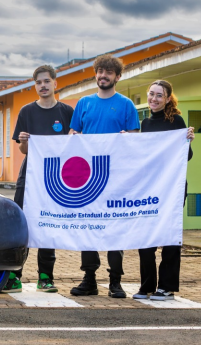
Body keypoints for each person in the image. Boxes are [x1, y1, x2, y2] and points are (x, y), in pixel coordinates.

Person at [68, 54, 140, 299]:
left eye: (109, 72)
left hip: (116, 177)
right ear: (95, 74)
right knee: (87, 227)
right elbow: (73, 133)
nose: (103, 76)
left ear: (117, 77)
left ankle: (115, 281)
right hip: (87, 178)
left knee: (114, 229)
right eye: (100, 71)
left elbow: (134, 139)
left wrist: (126, 138)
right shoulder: (83, 103)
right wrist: (72, 137)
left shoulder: (126, 105)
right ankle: (89, 279)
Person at [4, 65, 74, 294]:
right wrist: (24, 141)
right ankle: (14, 275)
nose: (42, 86)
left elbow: (73, 145)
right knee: (22, 223)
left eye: (46, 81)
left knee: (49, 222)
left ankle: (45, 277)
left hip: (55, 176)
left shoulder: (66, 112)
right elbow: (23, 150)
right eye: (38, 82)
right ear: (35, 85)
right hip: (30, 175)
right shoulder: (26, 111)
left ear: (55, 83)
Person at [135, 80, 194, 301]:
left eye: (159, 95)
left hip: (172, 188)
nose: (154, 99)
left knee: (169, 238)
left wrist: (187, 140)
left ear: (168, 98)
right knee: (146, 239)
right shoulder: (145, 124)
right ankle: (147, 285)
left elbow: (186, 156)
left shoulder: (176, 121)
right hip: (151, 188)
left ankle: (166, 287)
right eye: (151, 94)